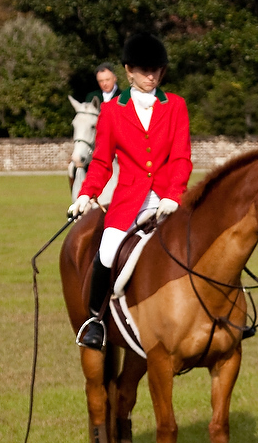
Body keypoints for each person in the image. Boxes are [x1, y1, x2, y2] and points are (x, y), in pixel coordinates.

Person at [68, 32, 192, 350]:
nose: (151, 76)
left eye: (156, 70)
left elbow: (181, 157)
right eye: (144, 70)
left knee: (199, 245)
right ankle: (95, 321)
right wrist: (86, 193)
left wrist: (172, 195)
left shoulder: (175, 105)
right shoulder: (112, 112)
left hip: (168, 197)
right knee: (107, 252)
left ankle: (219, 315)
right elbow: (101, 161)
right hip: (129, 201)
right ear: (129, 71)